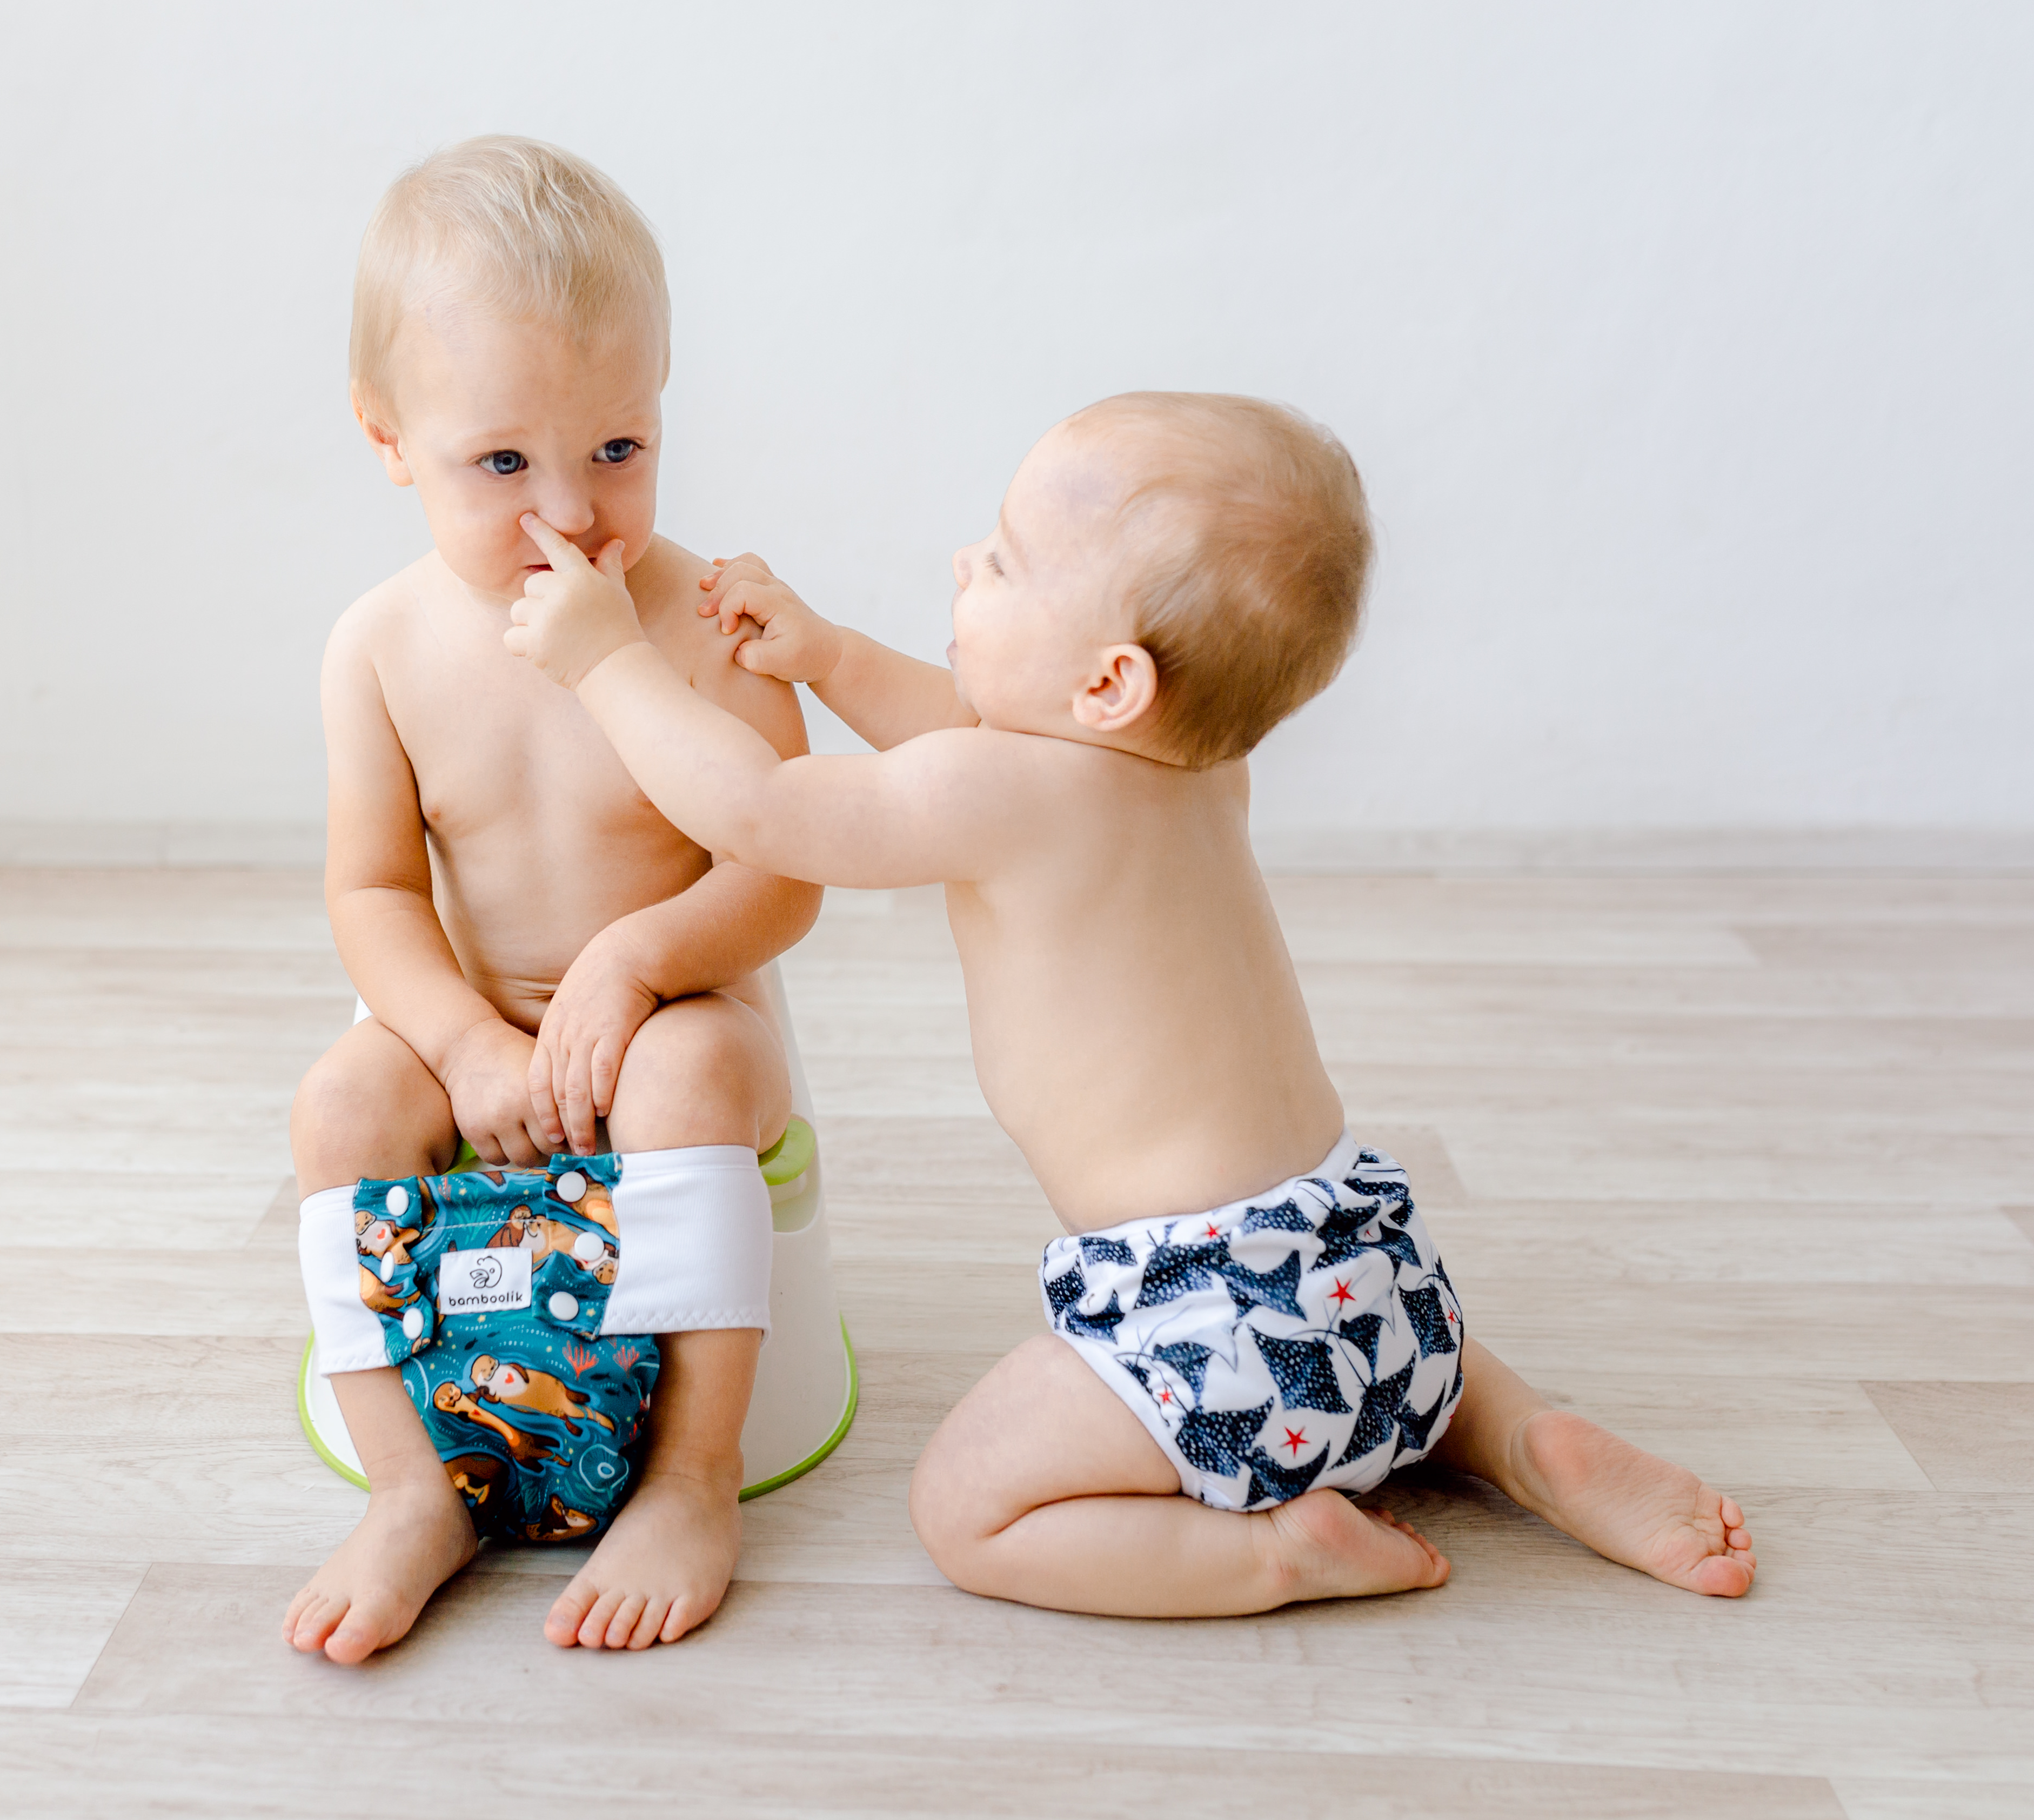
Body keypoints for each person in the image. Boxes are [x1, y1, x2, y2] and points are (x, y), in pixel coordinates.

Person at [504, 391, 1756, 1614]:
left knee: (969, 1508)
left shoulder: (1007, 798)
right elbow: (979, 733)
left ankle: (1276, 1554)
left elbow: (759, 810)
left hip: (1203, 1308)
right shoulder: (1203, 765)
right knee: (1376, 1350)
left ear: (1107, 684)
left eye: (1001, 562)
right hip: (1370, 1256)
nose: (963, 562)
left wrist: (607, 658)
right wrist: (826, 655)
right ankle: (1514, 1430)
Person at [280, 136, 818, 1664]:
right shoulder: (380, 648)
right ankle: (413, 1489)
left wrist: (644, 961)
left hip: (675, 1010)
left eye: (620, 452)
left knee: (703, 1069)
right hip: (489, 1020)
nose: (570, 515)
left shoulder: (709, 624)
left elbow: (779, 873)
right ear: (391, 440)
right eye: (503, 464)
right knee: (337, 1109)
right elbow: (373, 888)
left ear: (663, 412)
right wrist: (460, 1044)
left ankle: (692, 1479)